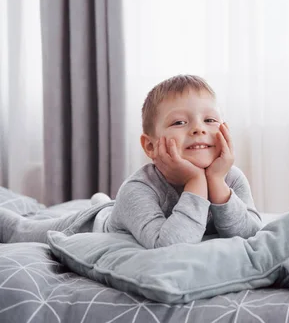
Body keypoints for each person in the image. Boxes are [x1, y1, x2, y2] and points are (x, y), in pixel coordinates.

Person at [0, 75, 261, 248]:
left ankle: (105, 203)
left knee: (112, 206)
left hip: (126, 211)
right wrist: (195, 181)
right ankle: (104, 208)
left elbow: (250, 234)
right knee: (21, 230)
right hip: (94, 226)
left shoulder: (230, 177)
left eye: (210, 120)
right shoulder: (139, 187)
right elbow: (170, 246)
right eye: (179, 122)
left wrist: (216, 183)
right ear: (150, 145)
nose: (198, 129)